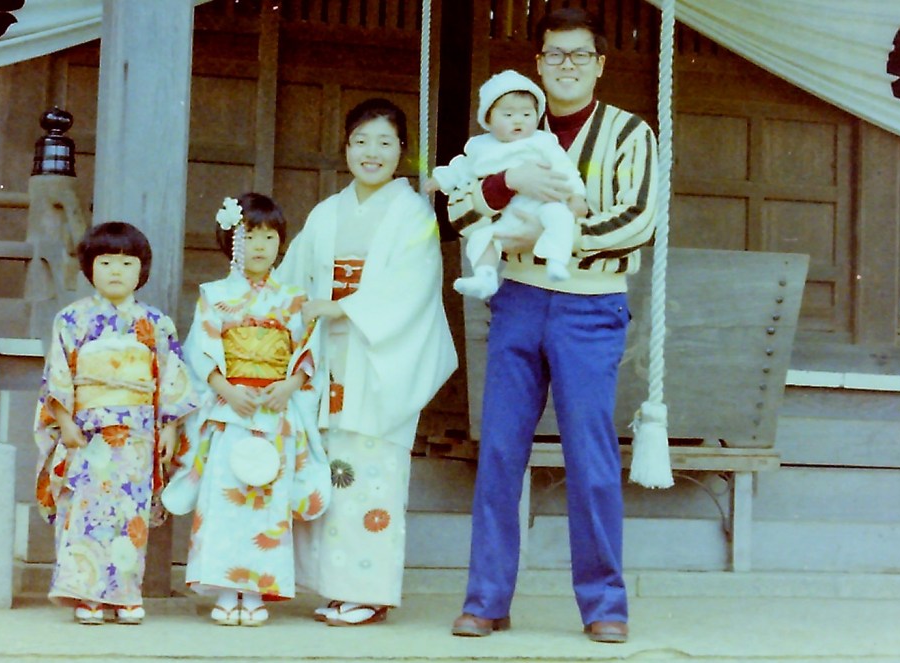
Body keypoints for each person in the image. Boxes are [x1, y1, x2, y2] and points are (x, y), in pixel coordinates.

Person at [447, 7, 659, 644]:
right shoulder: (504, 127)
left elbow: (638, 218)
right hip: (514, 299)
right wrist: (506, 180)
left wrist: (546, 234)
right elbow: (458, 210)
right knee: (501, 452)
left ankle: (604, 605)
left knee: (590, 455)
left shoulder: (628, 133)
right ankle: (486, 599)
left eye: (579, 55)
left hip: (590, 304)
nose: (566, 66)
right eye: (554, 55)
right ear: (537, 64)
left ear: (598, 64)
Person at [274, 98, 457, 626]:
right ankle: (330, 586)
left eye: (384, 142)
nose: (371, 153)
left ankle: (369, 590)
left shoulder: (413, 212)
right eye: (360, 141)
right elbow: (292, 277)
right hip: (328, 357)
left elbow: (413, 287)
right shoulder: (327, 212)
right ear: (346, 148)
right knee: (329, 473)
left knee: (369, 476)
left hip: (378, 362)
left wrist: (341, 305)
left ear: (402, 151)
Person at [161, 193, 332, 627]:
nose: (260, 245)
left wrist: (290, 384)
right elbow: (199, 351)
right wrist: (225, 389)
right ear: (231, 239)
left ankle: (255, 590)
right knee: (225, 497)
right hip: (229, 408)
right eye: (250, 234)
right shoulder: (215, 295)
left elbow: (309, 353)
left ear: (281, 243)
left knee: (266, 500)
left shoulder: (295, 299)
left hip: (274, 409)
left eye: (270, 235)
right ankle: (223, 587)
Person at [33, 221, 197, 625]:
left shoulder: (156, 323)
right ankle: (86, 593)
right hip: (88, 430)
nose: (116, 271)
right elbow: (57, 375)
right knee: (86, 509)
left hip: (138, 432)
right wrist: (65, 422)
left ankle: (125, 593)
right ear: (89, 267)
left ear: (141, 269)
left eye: (127, 262)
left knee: (130, 514)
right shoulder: (71, 319)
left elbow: (169, 375)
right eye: (105, 262)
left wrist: (171, 427)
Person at [425, 69, 587, 299]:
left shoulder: (543, 143)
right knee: (484, 236)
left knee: (560, 218)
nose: (518, 120)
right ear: (488, 120)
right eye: (508, 115)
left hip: (542, 205)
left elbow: (565, 170)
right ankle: (485, 276)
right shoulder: (480, 147)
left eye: (526, 114)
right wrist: (440, 179)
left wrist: (576, 196)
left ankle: (556, 261)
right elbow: (461, 168)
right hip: (506, 214)